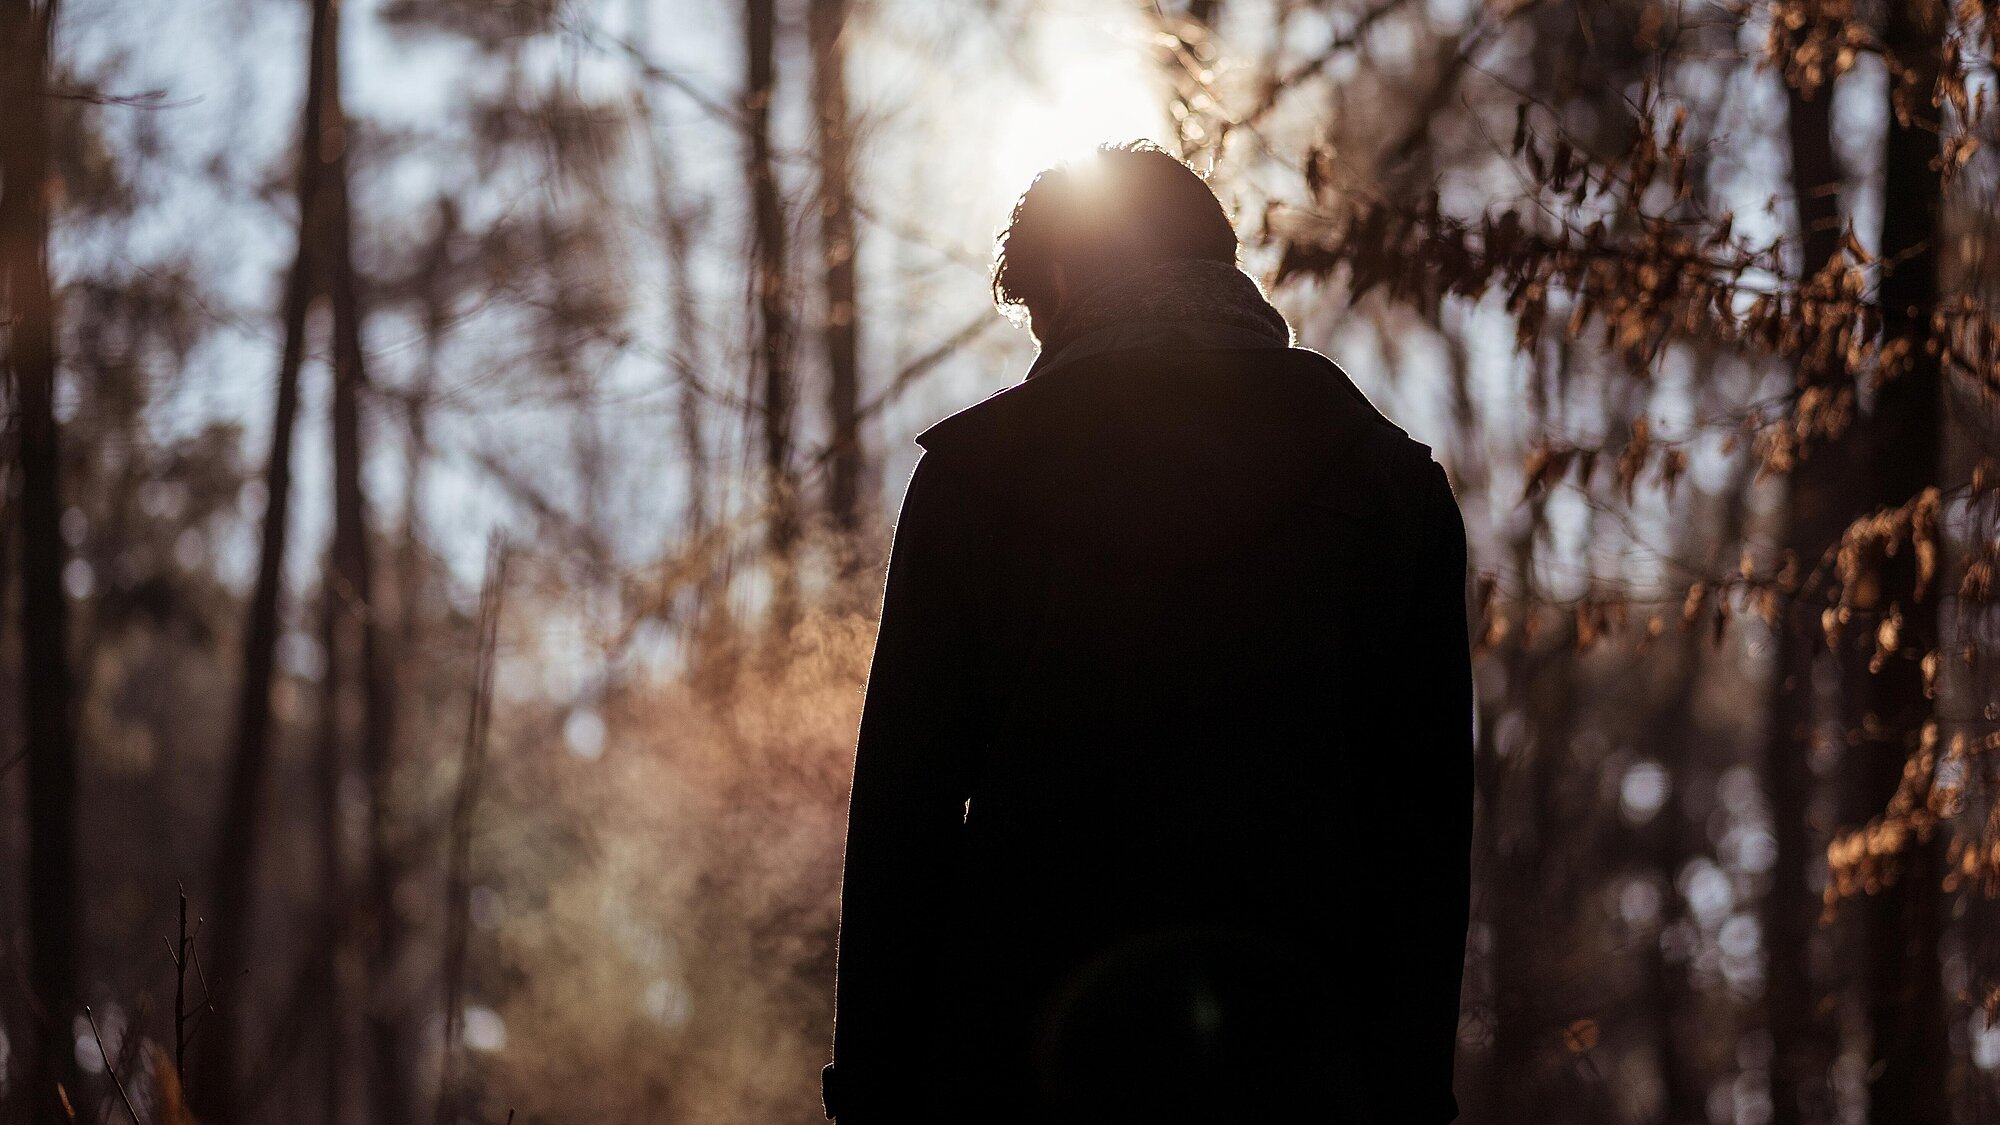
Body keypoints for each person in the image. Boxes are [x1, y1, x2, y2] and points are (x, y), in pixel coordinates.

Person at [822, 141, 1473, 1124]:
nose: (1044, 354)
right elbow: (1422, 834)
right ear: (1220, 266)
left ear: (1061, 277)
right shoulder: (1392, 490)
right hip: (1297, 1066)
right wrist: (1410, 1088)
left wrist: (874, 1088)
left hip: (1019, 1062)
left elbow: (901, 820)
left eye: (1040, 319)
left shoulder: (970, 481)